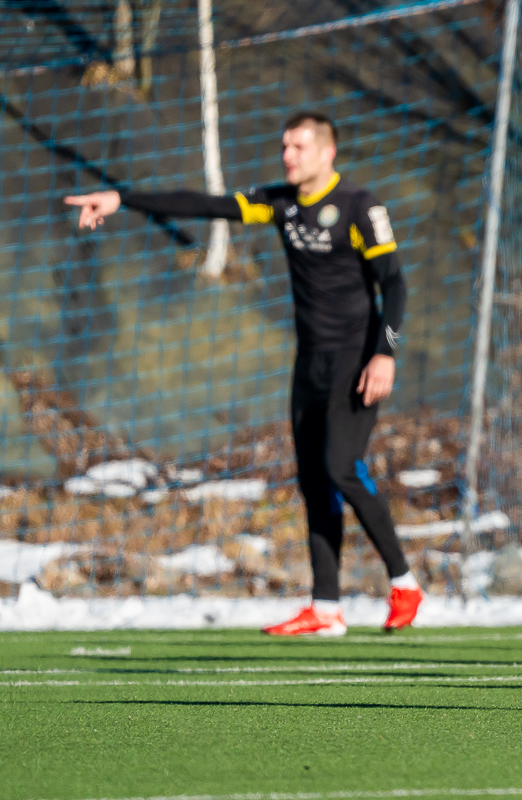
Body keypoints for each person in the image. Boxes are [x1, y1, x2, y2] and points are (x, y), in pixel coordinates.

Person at [65, 113, 423, 637]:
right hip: (310, 364)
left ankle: (404, 583)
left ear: (327, 153)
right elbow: (205, 205)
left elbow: (394, 284)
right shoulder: (280, 203)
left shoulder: (359, 207)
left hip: (358, 363)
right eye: (284, 146)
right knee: (313, 480)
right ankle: (326, 608)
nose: (288, 156)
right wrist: (123, 199)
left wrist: (384, 353)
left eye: (299, 147)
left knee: (341, 467)